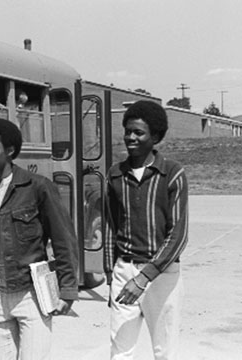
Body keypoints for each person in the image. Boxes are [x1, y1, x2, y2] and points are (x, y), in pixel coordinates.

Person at [0, 118, 78, 360]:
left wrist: (68, 289)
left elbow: (64, 240)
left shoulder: (38, 188)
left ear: (9, 151)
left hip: (32, 294)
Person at [104, 100, 188, 360]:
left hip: (162, 275)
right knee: (120, 352)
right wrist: (112, 275)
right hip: (124, 270)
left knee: (164, 352)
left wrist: (143, 279)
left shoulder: (172, 173)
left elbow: (179, 235)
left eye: (138, 132)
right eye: (128, 131)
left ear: (156, 137)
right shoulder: (115, 174)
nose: (130, 137)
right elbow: (110, 227)